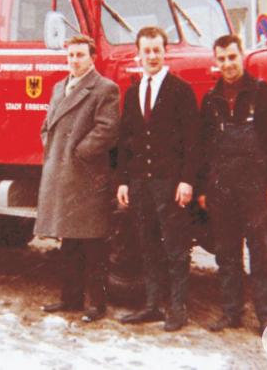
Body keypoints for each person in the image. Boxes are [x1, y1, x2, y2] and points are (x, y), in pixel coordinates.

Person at [197, 34, 267, 337]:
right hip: (222, 188)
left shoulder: (263, 94)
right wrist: (205, 189)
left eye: (232, 57)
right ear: (216, 61)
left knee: (262, 253)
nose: (227, 64)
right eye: (221, 59)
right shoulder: (211, 99)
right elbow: (205, 147)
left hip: (254, 187)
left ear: (242, 56)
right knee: (227, 254)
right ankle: (231, 312)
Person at [116, 26, 199, 332]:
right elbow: (126, 141)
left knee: (175, 247)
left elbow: (193, 142)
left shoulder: (181, 91)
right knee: (148, 245)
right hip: (140, 183)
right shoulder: (133, 92)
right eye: (146, 51)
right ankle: (152, 305)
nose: (151, 56)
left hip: (170, 184)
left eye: (156, 50)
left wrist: (187, 180)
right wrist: (124, 181)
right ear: (138, 54)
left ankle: (177, 307)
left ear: (165, 53)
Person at [35, 35, 120, 323]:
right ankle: (69, 299)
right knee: (69, 242)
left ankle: (97, 304)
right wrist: (53, 148)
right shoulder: (60, 87)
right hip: (63, 174)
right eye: (70, 55)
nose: (74, 60)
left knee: (93, 244)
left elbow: (107, 129)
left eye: (80, 55)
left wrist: (78, 152)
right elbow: (47, 125)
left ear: (91, 57)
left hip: (86, 175)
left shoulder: (104, 88)